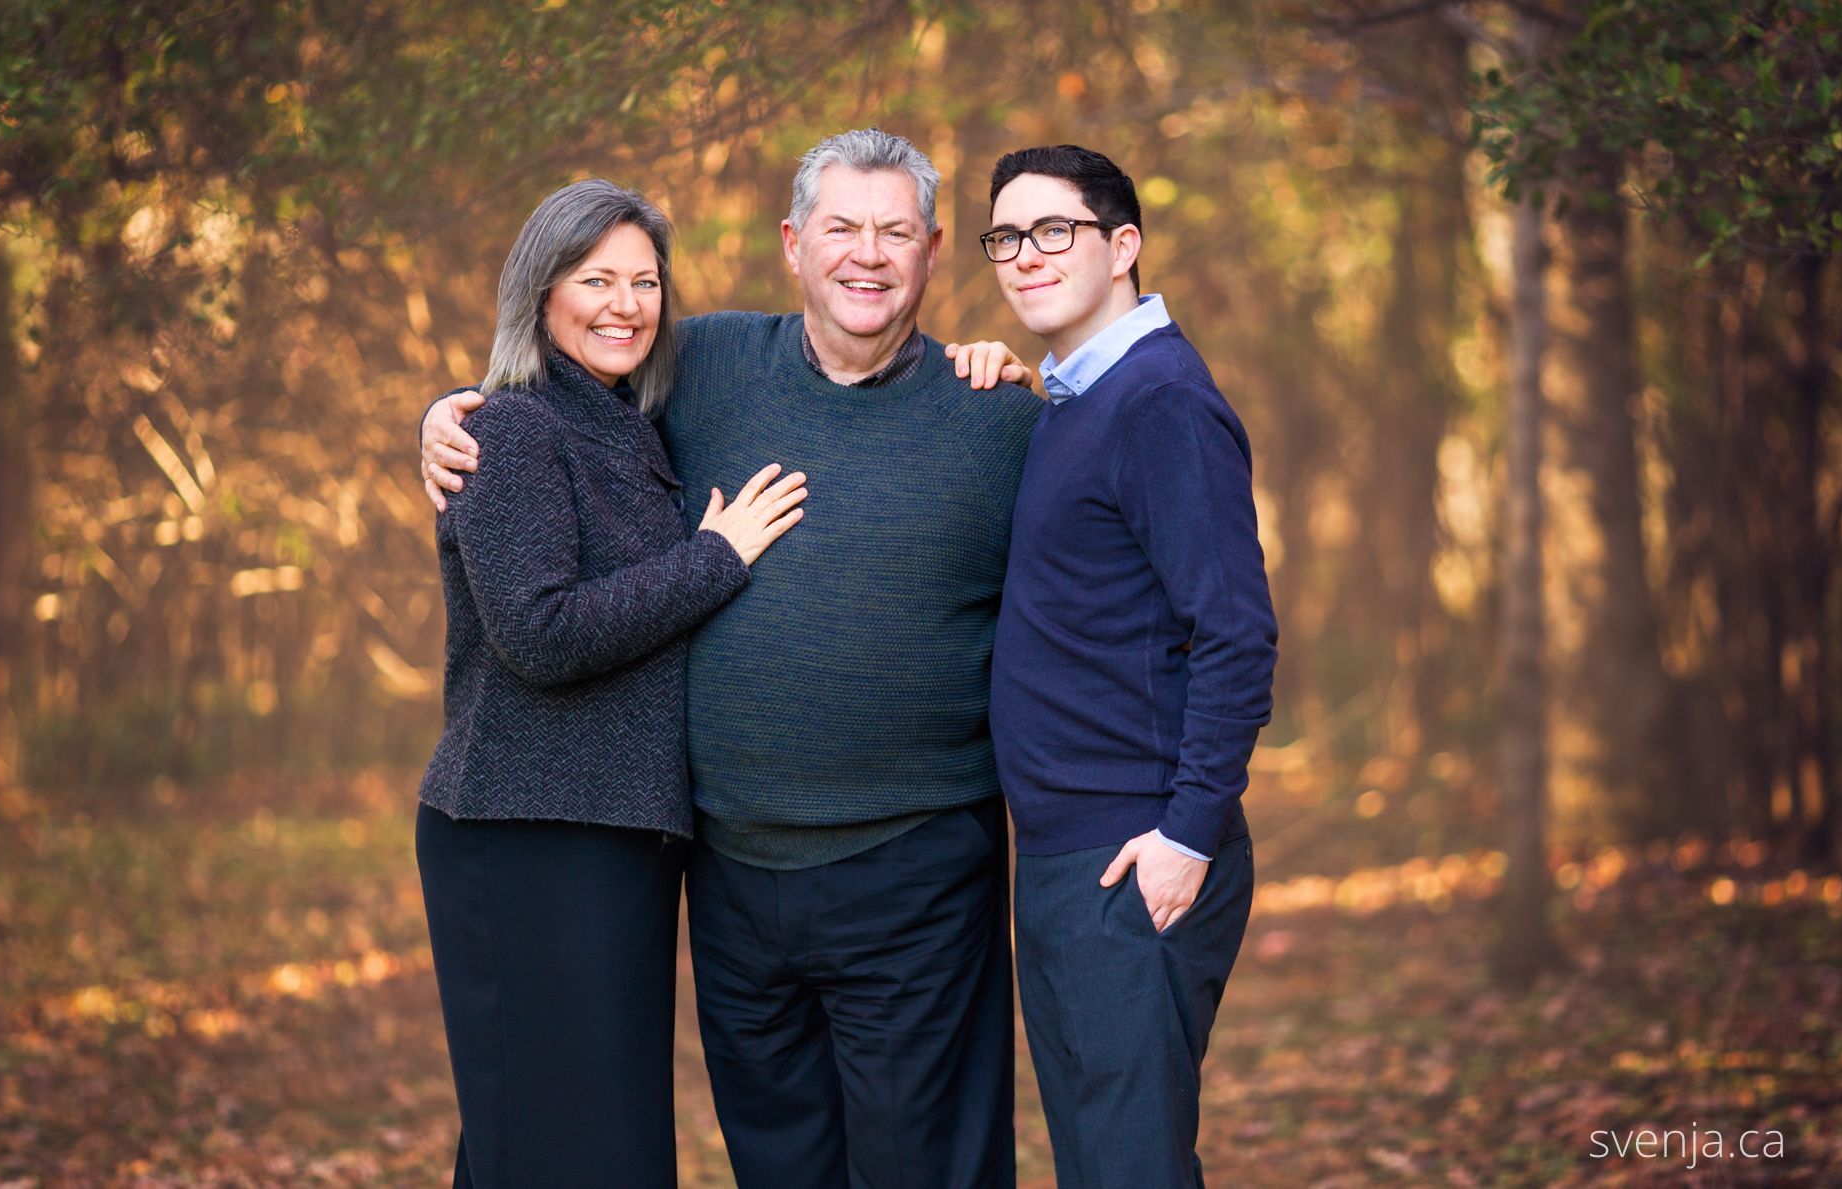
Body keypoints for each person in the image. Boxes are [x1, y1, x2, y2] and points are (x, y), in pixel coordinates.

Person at [420, 130, 1039, 1188]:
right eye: (841, 227)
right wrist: (443, 417)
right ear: (793, 245)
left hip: (912, 863)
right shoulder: (699, 368)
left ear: (935, 251)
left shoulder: (994, 413)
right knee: (767, 1160)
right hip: (729, 874)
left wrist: (1007, 363)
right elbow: (539, 422)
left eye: (895, 231)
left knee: (919, 1162)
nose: (867, 253)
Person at [415, 177, 808, 1189]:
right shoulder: (512, 431)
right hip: (527, 828)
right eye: (596, 279)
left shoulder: (629, 421)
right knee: (563, 1145)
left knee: (571, 1139)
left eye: (643, 281)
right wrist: (716, 557)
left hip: (613, 833)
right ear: (541, 291)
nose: (624, 304)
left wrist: (984, 364)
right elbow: (537, 635)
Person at [982, 145, 1278, 1189]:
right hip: (1069, 852)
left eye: (1052, 230)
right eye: (1005, 237)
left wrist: (1188, 832)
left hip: (1132, 854)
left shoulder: (1158, 400)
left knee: (1127, 1170)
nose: (1024, 256)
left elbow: (1235, 630)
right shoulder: (1076, 401)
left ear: (1123, 245)